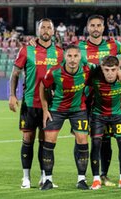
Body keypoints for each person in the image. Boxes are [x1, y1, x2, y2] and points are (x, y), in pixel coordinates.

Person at [9, 18, 63, 189]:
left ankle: (45, 177)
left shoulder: (60, 53)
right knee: (28, 138)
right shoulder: (27, 50)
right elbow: (15, 73)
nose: (46, 30)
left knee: (45, 141)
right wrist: (12, 95)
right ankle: (25, 177)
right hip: (30, 102)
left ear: (53, 31)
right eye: (43, 27)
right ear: (38, 30)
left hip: (51, 104)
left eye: (49, 27)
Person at [77, 15, 121, 188]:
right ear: (87, 27)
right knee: (82, 138)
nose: (96, 28)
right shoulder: (80, 47)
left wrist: (120, 67)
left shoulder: (114, 45)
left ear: (104, 26)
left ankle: (103, 175)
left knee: (105, 140)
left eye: (99, 25)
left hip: (106, 100)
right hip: (85, 101)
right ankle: (82, 176)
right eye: (92, 25)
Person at [39, 45, 92, 190]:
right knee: (49, 141)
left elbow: (106, 68)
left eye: (76, 56)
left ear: (80, 57)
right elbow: (42, 87)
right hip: (57, 109)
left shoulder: (87, 70)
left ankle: (81, 179)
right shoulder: (55, 72)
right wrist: (45, 110)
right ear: (65, 57)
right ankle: (48, 180)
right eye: (70, 56)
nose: (73, 59)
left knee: (82, 140)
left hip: (78, 110)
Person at [87, 55, 121, 190]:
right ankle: (96, 180)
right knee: (96, 144)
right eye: (107, 70)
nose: (110, 73)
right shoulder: (94, 76)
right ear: (102, 68)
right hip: (98, 116)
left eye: (113, 70)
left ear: (118, 68)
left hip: (119, 115)